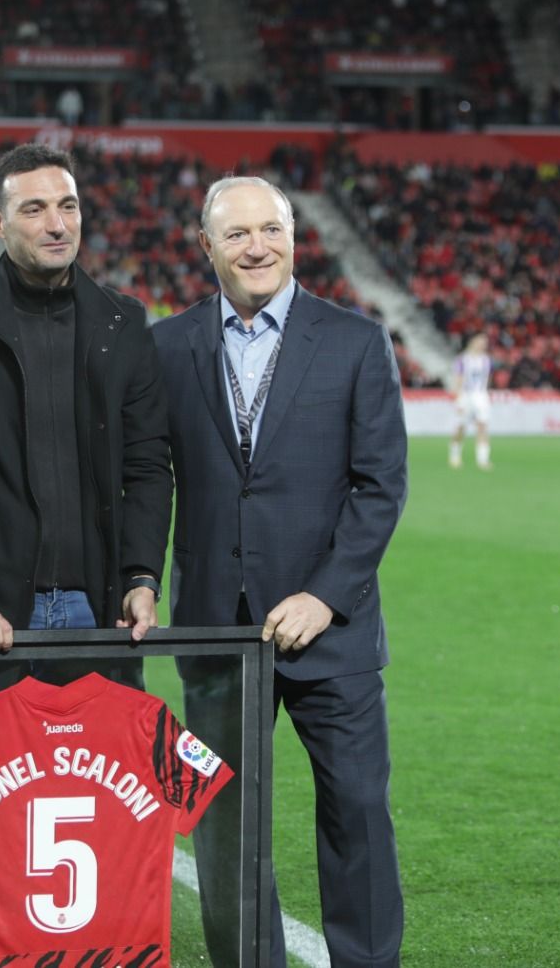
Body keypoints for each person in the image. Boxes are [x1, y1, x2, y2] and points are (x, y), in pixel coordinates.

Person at [0, 142, 172, 966]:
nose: (58, 223)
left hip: (93, 616)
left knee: (98, 810)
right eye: (37, 209)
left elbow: (147, 467)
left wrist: (141, 578)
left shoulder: (125, 321)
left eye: (69, 206)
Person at [152, 176, 408, 968]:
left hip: (330, 631)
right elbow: (144, 479)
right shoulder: (167, 346)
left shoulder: (356, 341)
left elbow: (380, 486)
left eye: (270, 230)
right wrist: (136, 574)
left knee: (358, 810)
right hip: (218, 630)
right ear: (206, 247)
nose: (256, 246)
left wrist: (325, 597)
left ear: (294, 238)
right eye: (236, 234)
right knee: (227, 823)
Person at [449, 332, 493, 470]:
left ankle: (483, 460)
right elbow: (458, 379)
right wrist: (458, 399)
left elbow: (488, 379)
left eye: (485, 342)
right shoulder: (462, 360)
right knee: (461, 427)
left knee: (482, 426)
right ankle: (454, 455)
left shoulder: (486, 360)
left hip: (481, 396)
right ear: (472, 341)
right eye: (481, 341)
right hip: (466, 396)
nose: (483, 344)